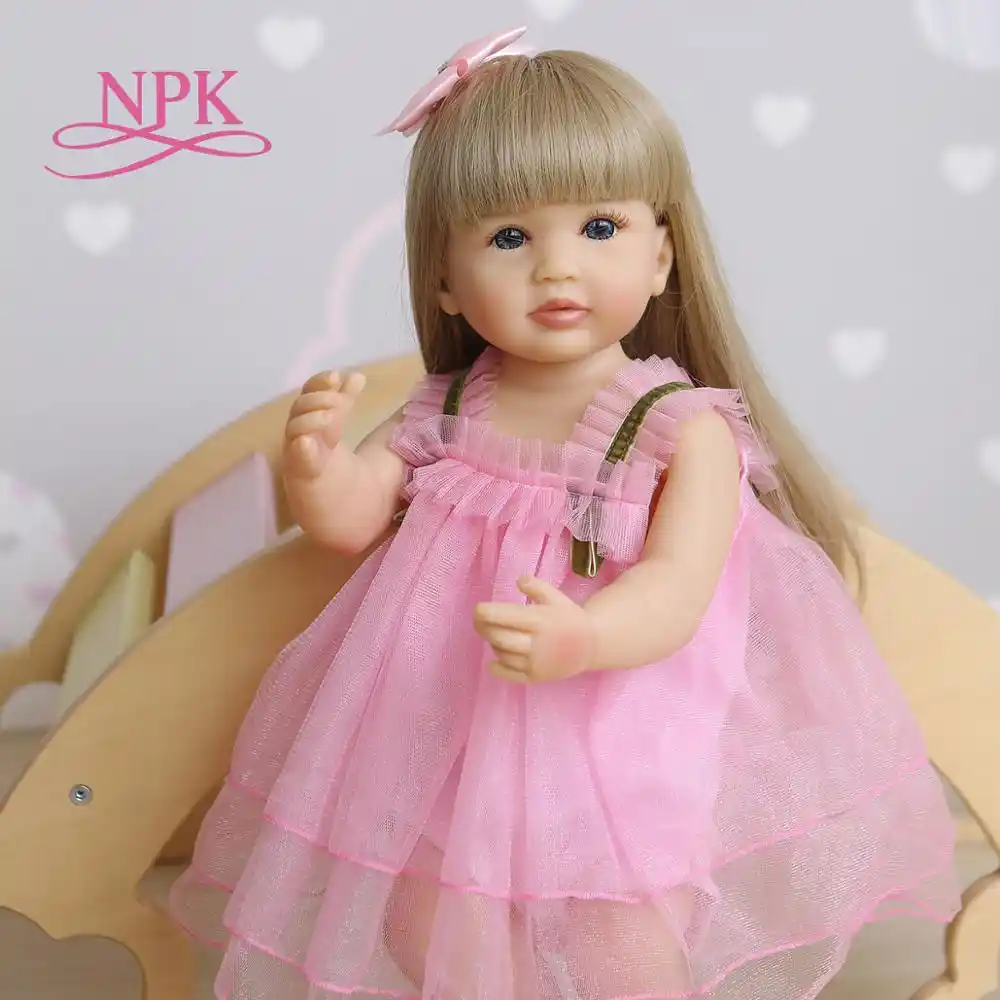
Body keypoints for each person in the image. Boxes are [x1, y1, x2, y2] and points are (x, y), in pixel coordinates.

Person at [169, 26, 960, 1000]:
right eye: (510, 238)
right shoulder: (447, 409)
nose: (556, 268)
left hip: (613, 728)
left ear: (662, 254)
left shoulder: (677, 428)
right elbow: (351, 517)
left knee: (614, 935)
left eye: (599, 228)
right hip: (441, 725)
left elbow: (676, 589)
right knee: (424, 913)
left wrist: (584, 636)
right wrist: (318, 465)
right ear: (445, 279)